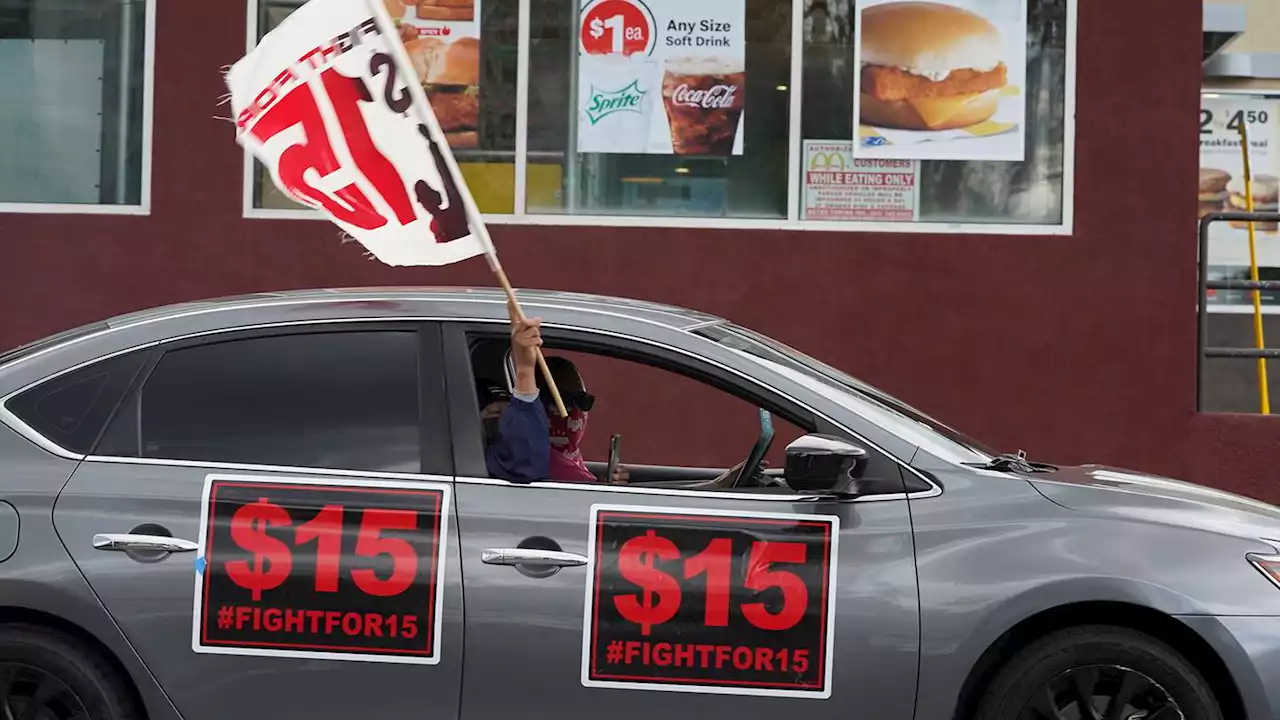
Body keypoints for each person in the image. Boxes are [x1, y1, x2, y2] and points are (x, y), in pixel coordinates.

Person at [478, 313, 549, 482]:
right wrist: (525, 372)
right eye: (493, 414)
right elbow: (523, 464)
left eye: (506, 414)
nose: (500, 416)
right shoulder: (473, 458)